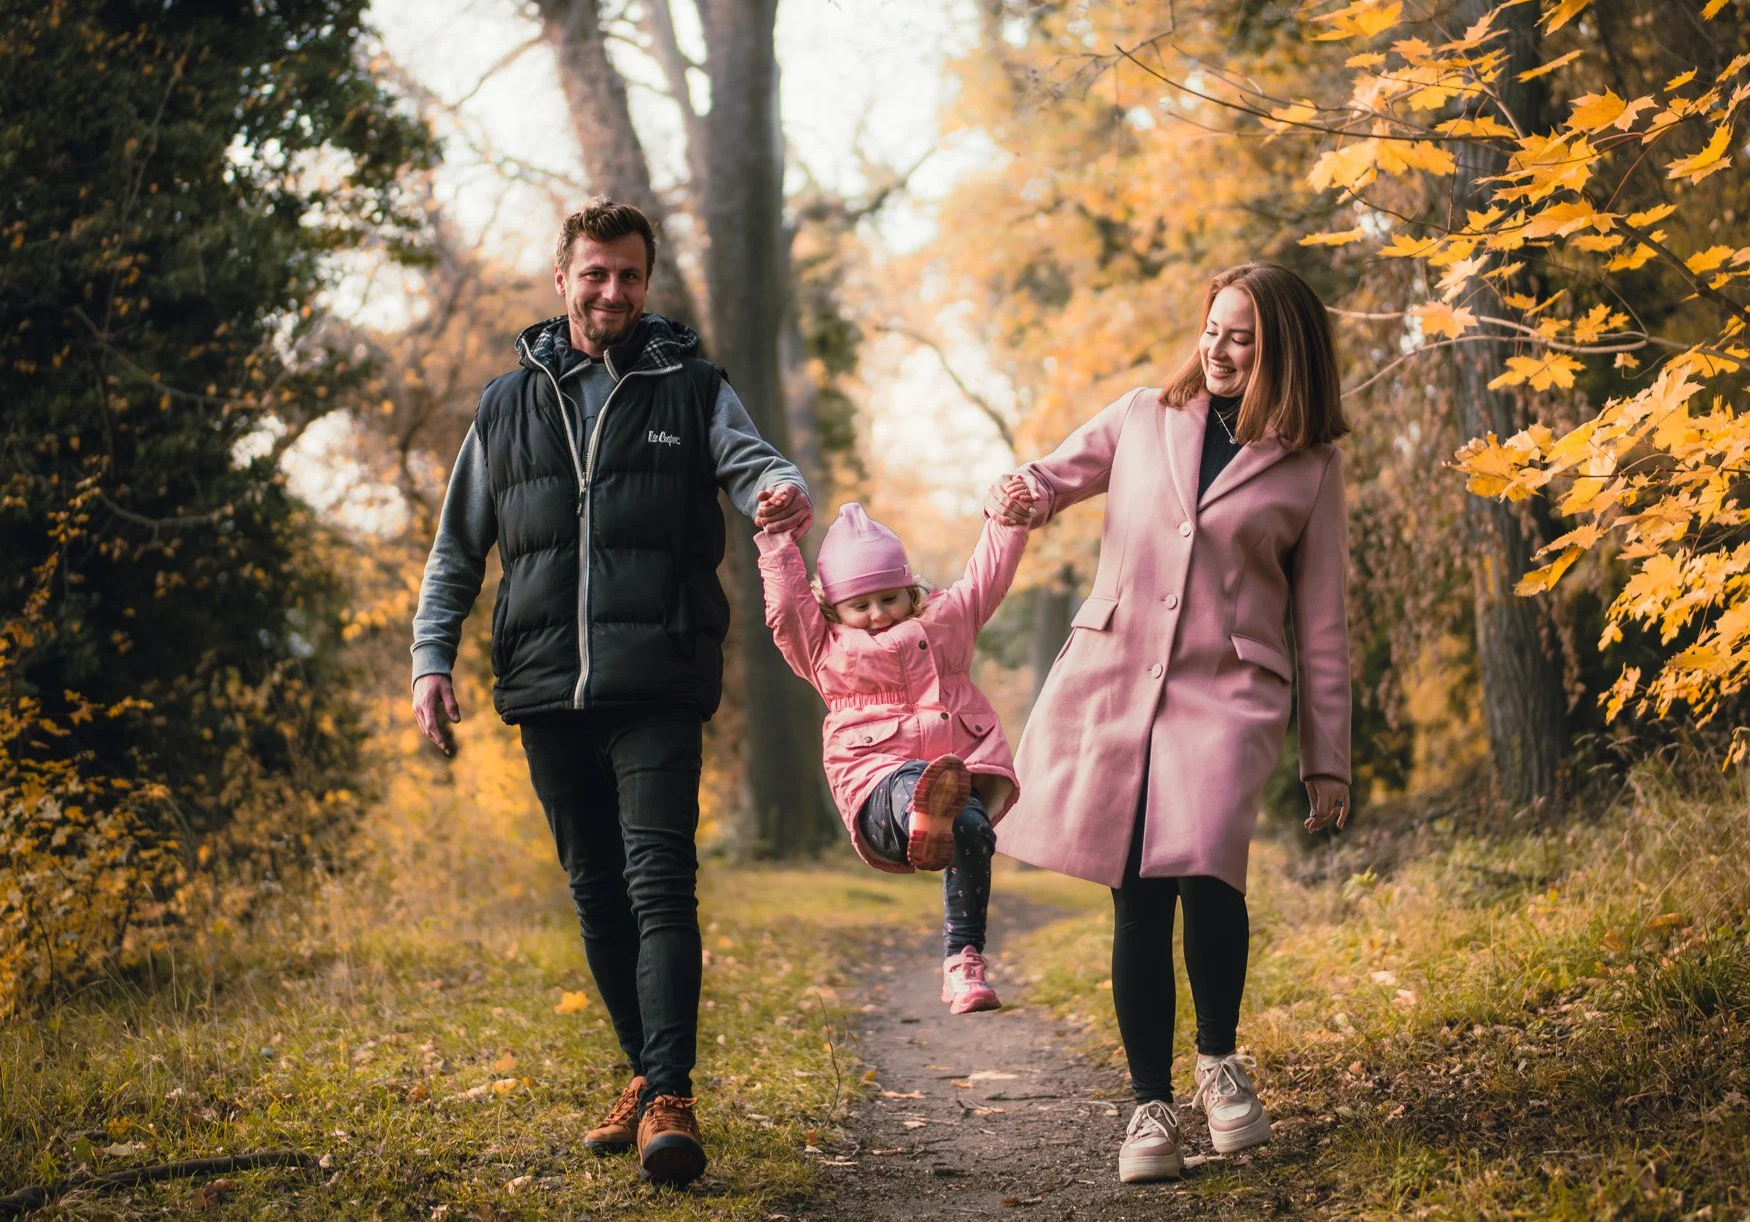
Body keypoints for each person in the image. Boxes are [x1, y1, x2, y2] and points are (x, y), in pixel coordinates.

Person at [408, 198, 811, 1185]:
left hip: (658, 676)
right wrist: (430, 659)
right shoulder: (505, 406)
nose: (612, 291)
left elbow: (756, 467)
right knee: (594, 893)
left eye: (629, 275)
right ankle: (646, 1073)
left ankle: (668, 1095)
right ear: (562, 281)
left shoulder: (691, 388)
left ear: (645, 283)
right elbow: (458, 547)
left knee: (658, 881)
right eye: (595, 273)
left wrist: (778, 492)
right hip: (544, 684)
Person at [986, 261, 1353, 1184]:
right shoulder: (1144, 415)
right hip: (1119, 678)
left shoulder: (1310, 466)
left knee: (1208, 868)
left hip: (1228, 692)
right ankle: (1150, 1106)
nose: (1219, 349)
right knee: (1137, 894)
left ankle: (1220, 1065)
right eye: (1212, 329)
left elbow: (1322, 619)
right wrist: (1019, 495)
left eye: (1243, 336)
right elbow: (1050, 478)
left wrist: (1329, 758)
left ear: (1283, 351)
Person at [755, 491, 1035, 1012]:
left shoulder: (948, 624)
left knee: (971, 828)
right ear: (833, 608)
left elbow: (985, 580)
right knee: (913, 783)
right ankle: (920, 810)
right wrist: (778, 542)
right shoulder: (822, 649)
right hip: (875, 783)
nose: (878, 614)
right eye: (859, 606)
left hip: (955, 776)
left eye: (889, 599)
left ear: (911, 592)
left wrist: (1007, 522)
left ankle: (963, 965)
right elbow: (788, 608)